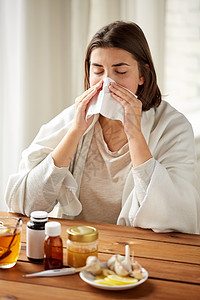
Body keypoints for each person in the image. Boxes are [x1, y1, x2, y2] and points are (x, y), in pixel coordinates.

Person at [5, 21, 200, 234]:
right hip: (77, 247)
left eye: (121, 71)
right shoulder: (74, 117)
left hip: (138, 254)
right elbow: (23, 203)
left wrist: (134, 133)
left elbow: (172, 215)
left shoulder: (173, 127)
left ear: (142, 75)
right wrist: (75, 132)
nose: (108, 83)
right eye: (98, 71)